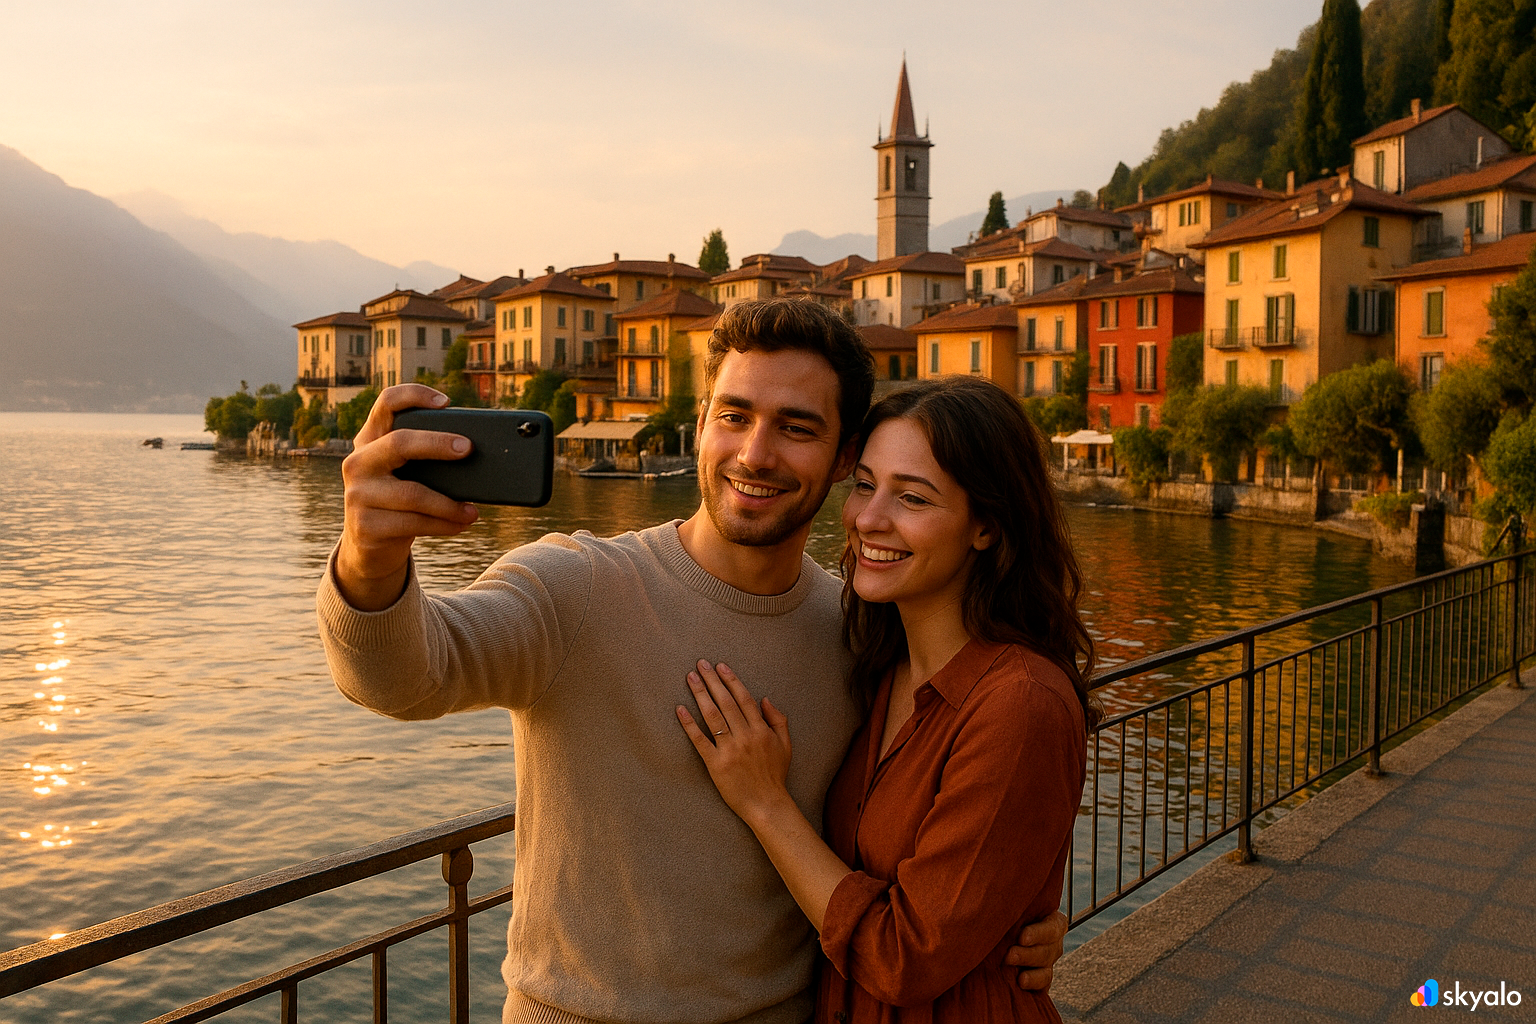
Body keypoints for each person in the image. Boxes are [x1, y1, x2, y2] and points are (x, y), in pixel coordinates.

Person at [317, 299, 1068, 1024]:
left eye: (795, 427)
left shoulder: (857, 631)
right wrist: (369, 560)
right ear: (701, 422)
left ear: (843, 457)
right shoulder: (575, 586)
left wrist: (1003, 913)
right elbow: (403, 680)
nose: (755, 453)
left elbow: (937, 818)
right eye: (734, 415)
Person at [677, 376, 1094, 1023]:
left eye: (913, 498)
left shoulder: (1020, 703)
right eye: (865, 485)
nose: (868, 519)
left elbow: (907, 957)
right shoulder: (874, 664)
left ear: (986, 526)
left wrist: (764, 802)